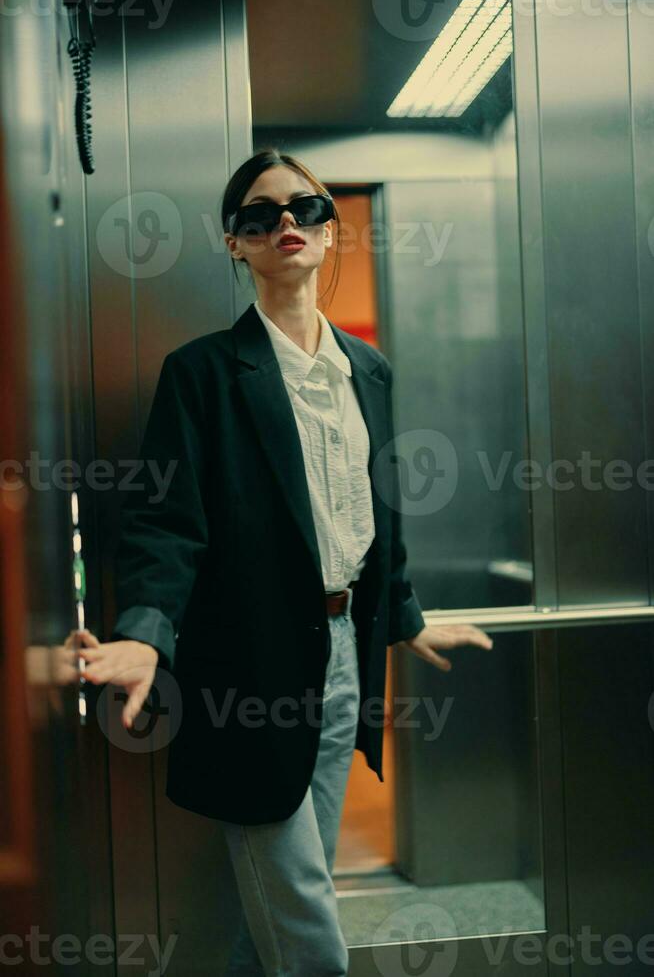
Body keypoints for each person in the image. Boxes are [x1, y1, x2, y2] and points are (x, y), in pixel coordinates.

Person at [76, 148, 493, 976]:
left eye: (303, 209)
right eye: (260, 217)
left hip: (344, 657)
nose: (285, 226)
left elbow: (375, 513)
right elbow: (168, 525)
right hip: (247, 667)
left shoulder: (367, 371)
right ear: (236, 244)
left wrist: (401, 617)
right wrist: (146, 635)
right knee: (299, 896)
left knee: (277, 890)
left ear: (330, 229)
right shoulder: (203, 373)